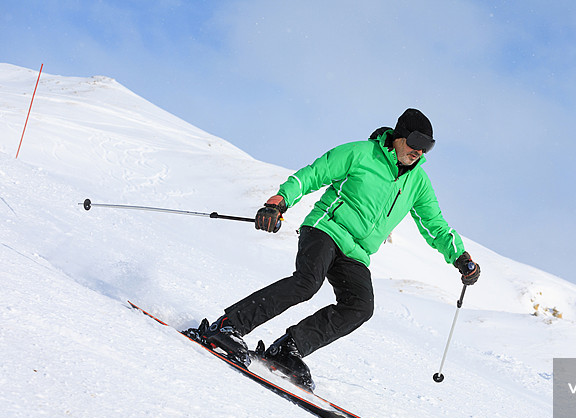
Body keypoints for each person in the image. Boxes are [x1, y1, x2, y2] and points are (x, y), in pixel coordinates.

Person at [185, 108, 480, 390]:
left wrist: (460, 257)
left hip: (357, 253)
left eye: (427, 147)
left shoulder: (418, 183)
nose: (419, 152)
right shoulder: (360, 153)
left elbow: (435, 225)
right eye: (415, 143)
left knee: (359, 307)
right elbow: (314, 174)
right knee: (306, 283)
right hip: (326, 229)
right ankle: (226, 327)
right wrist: (279, 201)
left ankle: (288, 348)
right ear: (399, 135)